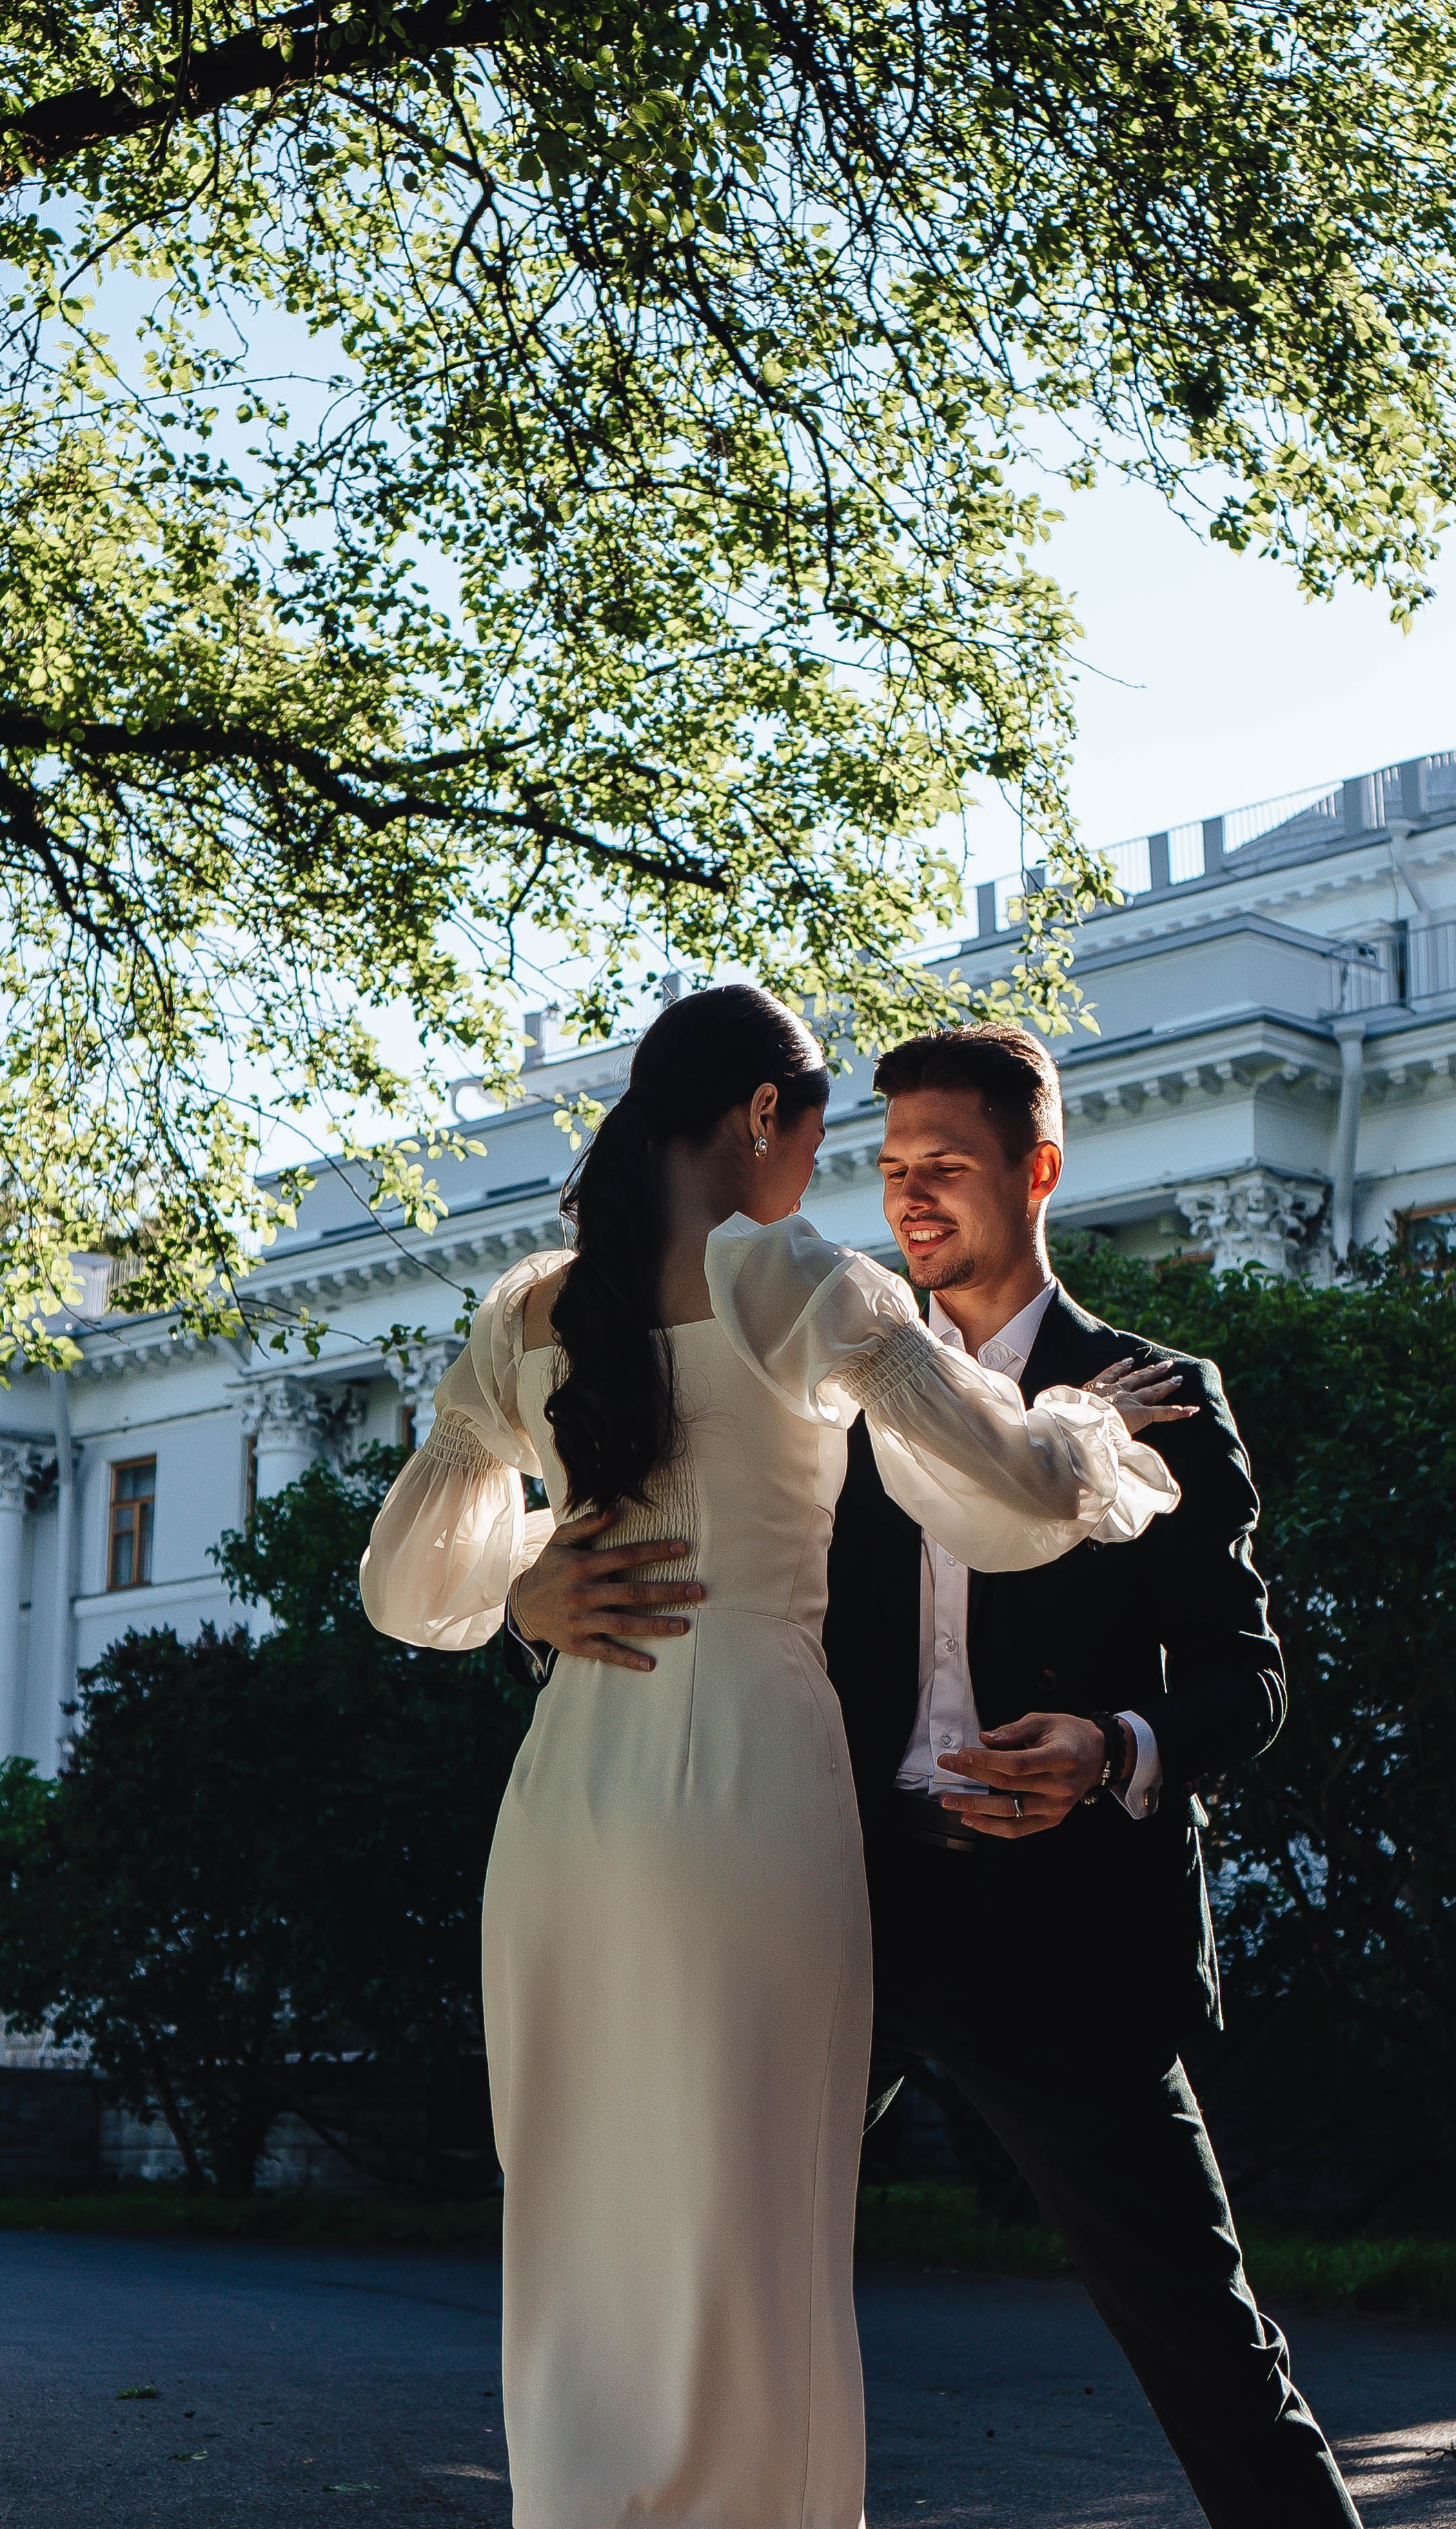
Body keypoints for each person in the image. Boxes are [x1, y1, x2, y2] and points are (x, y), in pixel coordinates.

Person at [358, 985, 1183, 2529]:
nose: (828, 1172)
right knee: (754, 2232)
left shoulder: (528, 1306)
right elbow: (1004, 1484)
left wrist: (526, 1576)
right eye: (819, 1136)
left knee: (583, 2223)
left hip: (569, 1799)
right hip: (744, 1782)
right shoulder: (794, 1279)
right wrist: (1082, 1418)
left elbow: (405, 1585)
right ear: (759, 1117)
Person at [825, 1023, 1363, 2529]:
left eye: (943, 1165)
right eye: (889, 1170)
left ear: (1036, 1169)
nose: (909, 1198)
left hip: (1060, 1936)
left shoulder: (1159, 1395)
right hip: (844, 1914)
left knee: (1201, 2341)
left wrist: (1111, 1747)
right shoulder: (843, 1404)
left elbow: (1245, 1681)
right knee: (716, 2282)